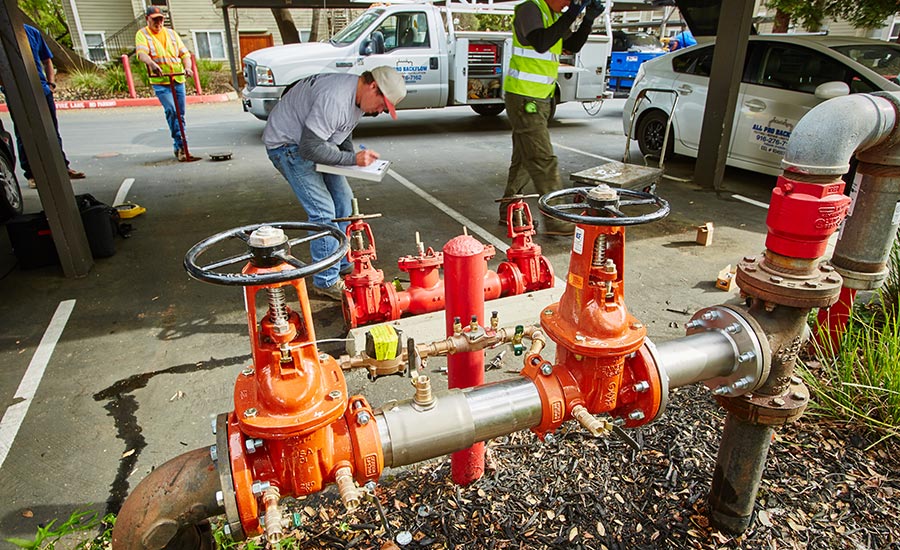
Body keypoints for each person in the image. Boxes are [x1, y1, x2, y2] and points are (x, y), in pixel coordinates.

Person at [263, 67, 406, 301]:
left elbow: (342, 131)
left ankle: (337, 263)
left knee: (344, 203)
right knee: (323, 213)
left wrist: (350, 159)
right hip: (287, 146)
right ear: (373, 87)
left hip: (315, 142)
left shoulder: (357, 98)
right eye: (383, 105)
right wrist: (352, 159)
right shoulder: (336, 98)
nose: (380, 112)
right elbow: (308, 149)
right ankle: (326, 280)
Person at [501, 0, 604, 236]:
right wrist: (573, 14)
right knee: (543, 160)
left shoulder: (551, 14)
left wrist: (587, 20)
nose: (570, 3)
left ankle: (509, 212)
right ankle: (558, 222)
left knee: (525, 159)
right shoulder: (531, 9)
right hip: (525, 99)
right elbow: (541, 43)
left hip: (538, 99)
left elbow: (572, 45)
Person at [9, 24, 85, 188]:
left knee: (52, 130)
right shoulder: (4, 35)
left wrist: (50, 83)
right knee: (25, 133)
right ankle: (32, 174)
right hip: (18, 92)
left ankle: (62, 167)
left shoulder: (32, 32)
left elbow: (46, 60)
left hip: (42, 90)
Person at [135, 6, 193, 162]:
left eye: (160, 19)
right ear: (148, 19)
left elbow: (184, 53)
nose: (158, 22)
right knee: (172, 111)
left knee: (180, 115)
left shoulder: (171, 34)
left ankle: (179, 145)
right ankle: (182, 146)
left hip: (177, 79)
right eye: (155, 19)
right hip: (161, 81)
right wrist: (153, 65)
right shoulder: (143, 34)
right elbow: (141, 54)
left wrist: (187, 68)